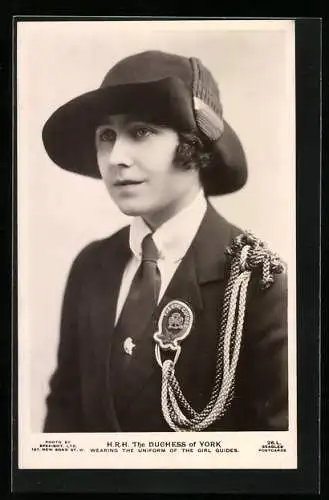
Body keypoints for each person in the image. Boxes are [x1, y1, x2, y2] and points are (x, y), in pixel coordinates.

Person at [42, 50, 288, 432]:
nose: (115, 158)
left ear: (194, 145)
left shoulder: (255, 280)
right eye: (107, 136)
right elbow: (64, 414)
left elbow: (277, 447)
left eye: (141, 132)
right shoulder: (91, 266)